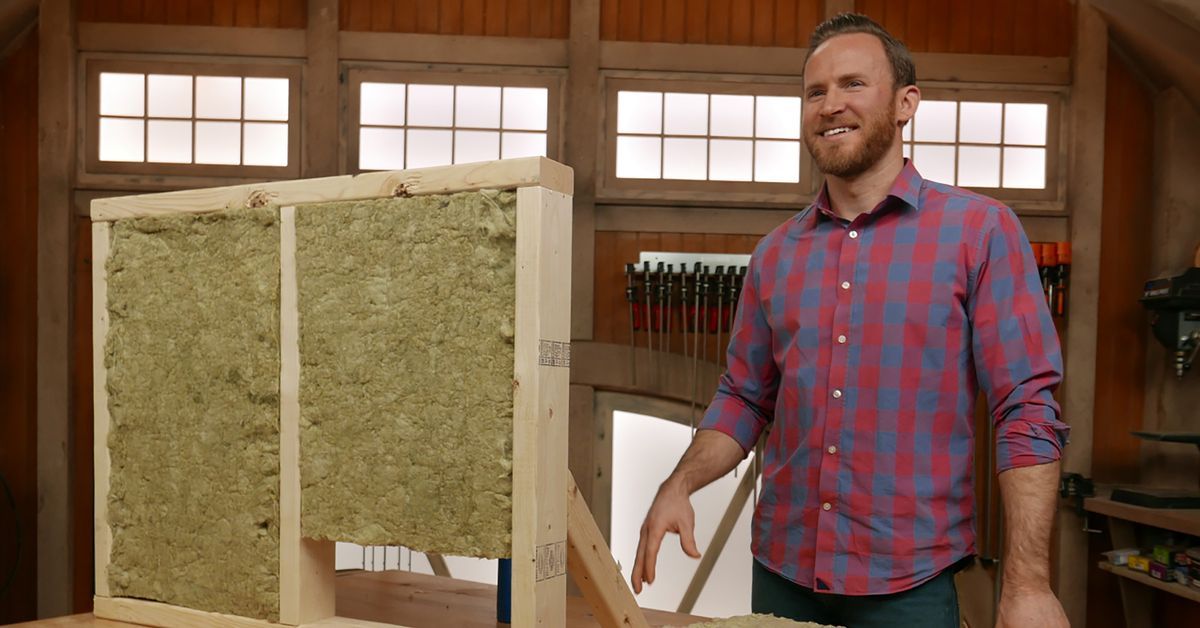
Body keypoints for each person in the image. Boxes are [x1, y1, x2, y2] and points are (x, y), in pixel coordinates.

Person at [630, 13, 1070, 628]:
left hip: (910, 587)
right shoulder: (775, 255)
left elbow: (1025, 408)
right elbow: (743, 399)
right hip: (783, 575)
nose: (831, 104)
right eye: (816, 92)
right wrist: (677, 484)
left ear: (905, 103)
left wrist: (1026, 584)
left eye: (853, 84)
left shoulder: (981, 232)